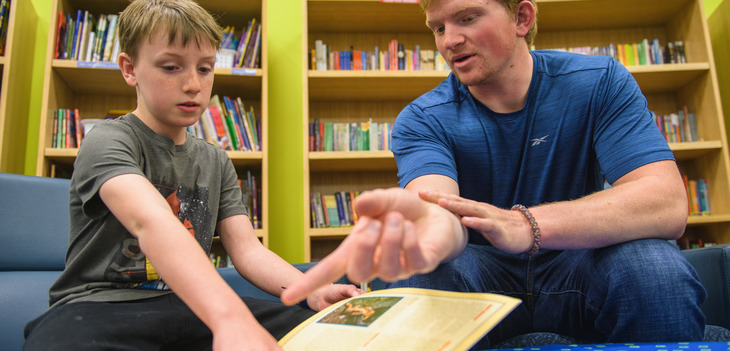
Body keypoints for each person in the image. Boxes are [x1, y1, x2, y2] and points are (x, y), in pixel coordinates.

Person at [282, 0, 707, 346]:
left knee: (654, 267)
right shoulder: (422, 119)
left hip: (579, 265)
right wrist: (427, 231)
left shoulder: (599, 83)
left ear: (522, 18)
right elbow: (438, 210)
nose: (450, 40)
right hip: (480, 275)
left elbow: (666, 202)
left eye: (467, 18)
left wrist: (527, 224)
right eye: (437, 27)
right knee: (422, 275)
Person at [23, 1, 361, 350]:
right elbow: (150, 222)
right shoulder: (109, 140)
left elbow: (247, 251)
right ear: (129, 69)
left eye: (205, 69)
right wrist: (228, 317)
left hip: (188, 307)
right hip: (99, 307)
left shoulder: (215, 160)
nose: (193, 85)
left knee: (323, 331)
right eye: (171, 67)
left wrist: (312, 290)